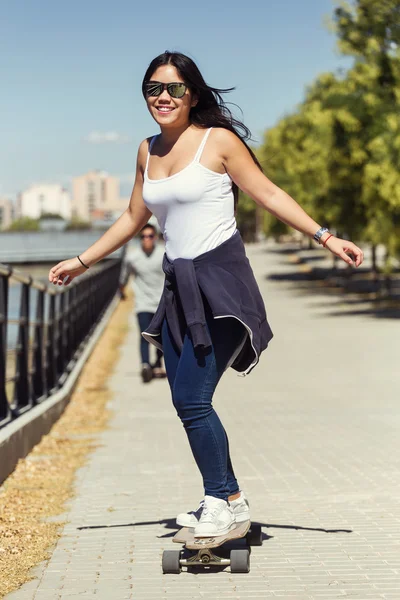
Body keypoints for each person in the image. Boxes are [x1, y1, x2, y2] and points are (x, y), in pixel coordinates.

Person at [48, 51, 363, 539]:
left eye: (175, 88)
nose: (164, 97)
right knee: (183, 399)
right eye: (154, 88)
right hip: (179, 286)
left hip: (222, 282)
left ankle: (223, 498)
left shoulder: (218, 142)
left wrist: (326, 237)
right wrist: (82, 260)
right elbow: (133, 218)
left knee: (194, 398)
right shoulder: (146, 150)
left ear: (193, 93)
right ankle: (227, 500)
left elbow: (269, 194)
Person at [127, 222, 165, 383]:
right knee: (144, 334)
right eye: (143, 236)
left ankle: (157, 362)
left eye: (150, 236)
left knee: (161, 336)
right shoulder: (133, 258)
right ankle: (145, 365)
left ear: (155, 238)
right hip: (142, 303)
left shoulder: (164, 254)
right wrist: (121, 290)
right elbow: (124, 275)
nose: (147, 239)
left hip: (161, 303)